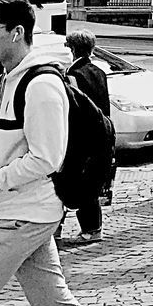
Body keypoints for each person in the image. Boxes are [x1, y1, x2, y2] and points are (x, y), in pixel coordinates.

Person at [0, 0, 125, 306]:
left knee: (54, 302)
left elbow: (46, 157)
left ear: (15, 32)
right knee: (54, 302)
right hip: (17, 209)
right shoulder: (4, 81)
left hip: (22, 212)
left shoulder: (40, 84)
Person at [63, 28, 113, 244]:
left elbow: (73, 110)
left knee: (81, 183)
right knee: (92, 183)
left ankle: (90, 230)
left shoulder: (73, 75)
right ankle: (94, 227)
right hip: (101, 133)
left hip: (81, 137)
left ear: (72, 49)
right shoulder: (98, 71)